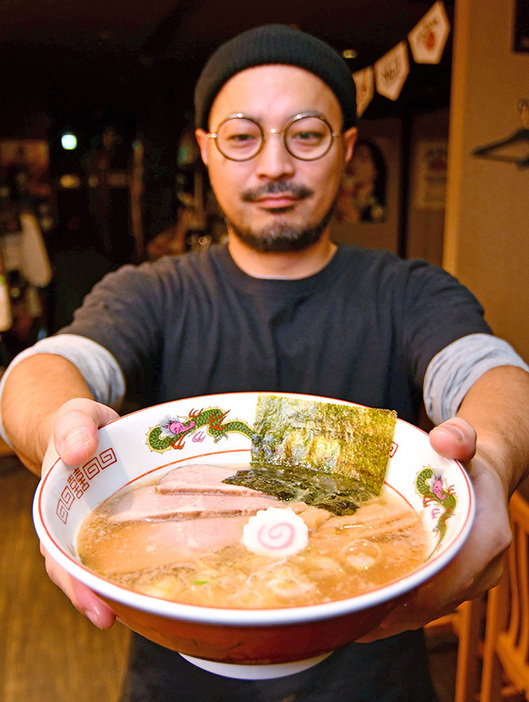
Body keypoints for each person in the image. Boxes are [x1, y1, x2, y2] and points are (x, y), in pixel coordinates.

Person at [1, 23, 529, 702]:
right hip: (177, 676)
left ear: (343, 151)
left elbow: (496, 375)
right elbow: (47, 367)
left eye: (305, 135)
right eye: (242, 136)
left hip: (373, 671)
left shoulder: (409, 292)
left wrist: (492, 460)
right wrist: (57, 427)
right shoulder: (151, 292)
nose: (273, 164)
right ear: (205, 151)